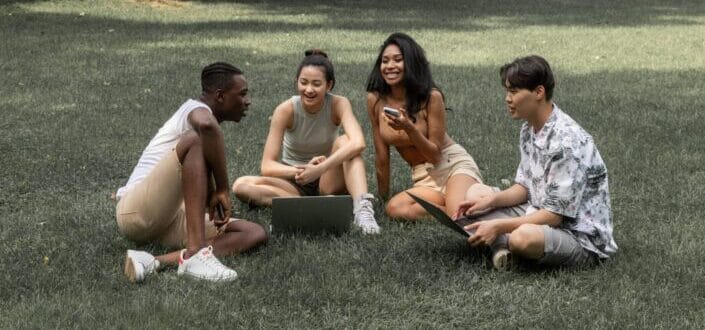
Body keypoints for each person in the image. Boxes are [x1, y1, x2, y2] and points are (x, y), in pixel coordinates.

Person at [455, 55, 618, 270]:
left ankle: (504, 245)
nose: (507, 98)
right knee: (475, 193)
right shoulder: (529, 128)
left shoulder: (567, 142)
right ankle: (504, 249)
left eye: (513, 92)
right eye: (507, 91)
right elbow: (524, 187)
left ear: (539, 92)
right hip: (538, 210)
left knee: (522, 238)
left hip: (578, 236)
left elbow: (554, 217)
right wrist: (490, 202)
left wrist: (499, 225)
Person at [115, 62, 268, 283]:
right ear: (220, 96)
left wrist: (212, 194)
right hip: (135, 213)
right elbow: (206, 126)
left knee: (253, 233)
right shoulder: (195, 110)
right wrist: (223, 189)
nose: (248, 101)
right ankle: (196, 253)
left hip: (168, 219)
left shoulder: (203, 122)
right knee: (195, 140)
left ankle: (152, 261)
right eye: (242, 94)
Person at [232, 50, 380, 234]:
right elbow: (267, 166)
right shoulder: (285, 110)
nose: (309, 90)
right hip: (294, 183)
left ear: (329, 85)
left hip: (327, 178)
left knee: (345, 142)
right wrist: (302, 171)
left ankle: (363, 210)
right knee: (241, 185)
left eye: (316, 84)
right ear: (297, 82)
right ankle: (311, 206)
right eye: (304, 82)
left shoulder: (339, 104)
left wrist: (320, 168)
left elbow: (359, 143)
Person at [365, 32, 485, 221]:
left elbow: (435, 155)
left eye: (397, 60)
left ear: (411, 63)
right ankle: (465, 204)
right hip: (423, 178)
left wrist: (409, 128)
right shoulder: (375, 100)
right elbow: (382, 158)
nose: (389, 66)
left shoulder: (431, 97)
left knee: (458, 218)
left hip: (451, 166)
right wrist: (382, 199)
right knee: (394, 209)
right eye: (385, 61)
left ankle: (470, 203)